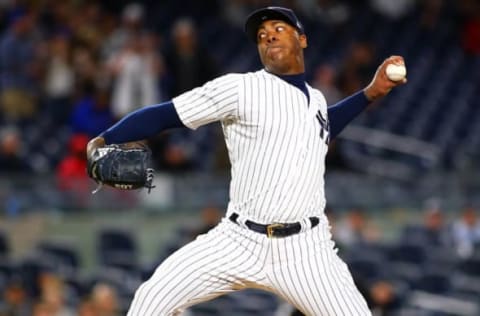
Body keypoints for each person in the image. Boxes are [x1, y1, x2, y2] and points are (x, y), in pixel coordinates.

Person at [87, 6, 406, 315]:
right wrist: (105, 139)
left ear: (302, 39)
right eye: (262, 34)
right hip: (238, 240)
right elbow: (166, 114)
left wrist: (369, 93)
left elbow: (323, 125)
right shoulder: (241, 88)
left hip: (307, 251)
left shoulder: (316, 99)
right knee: (152, 298)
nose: (268, 36)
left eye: (279, 29)